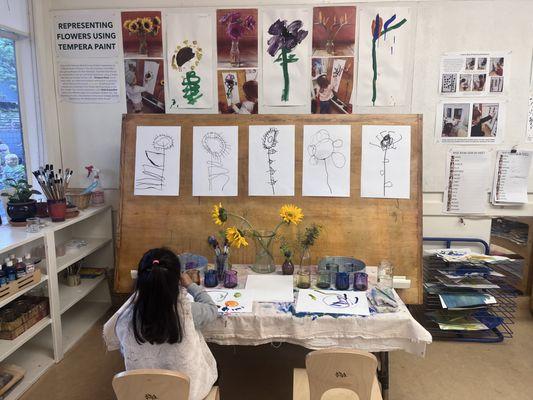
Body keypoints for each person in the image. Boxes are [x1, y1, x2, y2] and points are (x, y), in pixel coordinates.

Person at [103, 248, 218, 400]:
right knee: (216, 370)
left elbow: (124, 348)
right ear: (178, 280)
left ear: (140, 279)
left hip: (143, 393)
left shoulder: (125, 316)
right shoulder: (186, 310)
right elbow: (211, 309)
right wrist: (191, 285)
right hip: (189, 393)